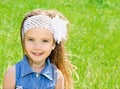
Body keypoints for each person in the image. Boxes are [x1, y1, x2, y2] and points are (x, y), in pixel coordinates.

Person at [3, 9, 74, 89]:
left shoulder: (57, 76)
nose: (37, 47)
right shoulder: (12, 74)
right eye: (31, 40)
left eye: (45, 41)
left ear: (53, 44)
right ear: (23, 41)